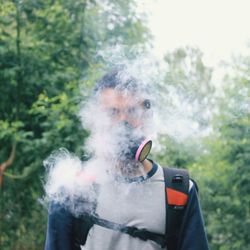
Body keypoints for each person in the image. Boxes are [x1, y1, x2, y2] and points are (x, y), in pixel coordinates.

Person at [45, 69, 209, 250]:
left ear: (147, 116)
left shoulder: (179, 191)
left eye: (132, 111)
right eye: (112, 113)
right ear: (96, 118)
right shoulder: (73, 189)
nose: (123, 123)